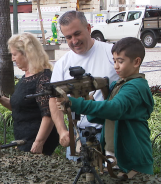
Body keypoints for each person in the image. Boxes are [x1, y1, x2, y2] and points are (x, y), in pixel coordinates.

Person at [56, 37, 154, 175]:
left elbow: (115, 109)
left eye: (120, 61)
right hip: (115, 159)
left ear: (136, 62)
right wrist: (91, 104)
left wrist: (76, 103)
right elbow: (108, 117)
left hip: (133, 161)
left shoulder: (135, 87)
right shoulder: (121, 84)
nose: (116, 66)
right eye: (114, 61)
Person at [48, 11, 119, 160]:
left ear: (88, 28)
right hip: (80, 135)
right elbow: (54, 99)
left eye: (77, 34)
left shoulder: (112, 54)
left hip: (111, 133)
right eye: (68, 37)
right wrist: (62, 131)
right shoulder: (63, 64)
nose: (74, 41)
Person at [0, 33, 59, 155]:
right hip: (24, 138)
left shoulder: (44, 78)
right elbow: (20, 107)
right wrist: (0, 98)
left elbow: (49, 113)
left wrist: (39, 142)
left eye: (14, 54)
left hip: (37, 140)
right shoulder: (26, 76)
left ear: (27, 53)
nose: (12, 59)